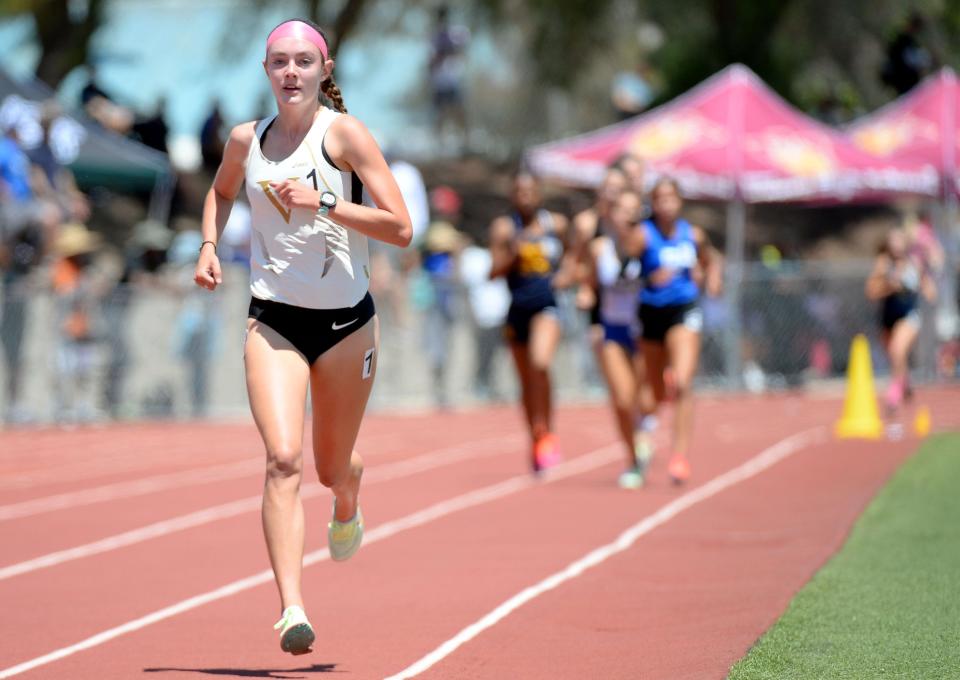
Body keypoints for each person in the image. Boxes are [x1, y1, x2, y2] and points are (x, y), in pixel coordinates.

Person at [192, 18, 411, 655]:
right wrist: (209, 245)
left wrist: (326, 202)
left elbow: (401, 228)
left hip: (346, 325)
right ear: (266, 72)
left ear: (324, 70)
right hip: (274, 319)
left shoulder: (343, 135)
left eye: (302, 62)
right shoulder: (245, 139)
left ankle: (349, 492)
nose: (290, 72)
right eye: (278, 62)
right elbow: (221, 192)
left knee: (328, 467)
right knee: (282, 459)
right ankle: (291, 609)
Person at [627, 178, 721, 484]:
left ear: (680, 201)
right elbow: (624, 271)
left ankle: (679, 456)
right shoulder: (643, 235)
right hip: (651, 313)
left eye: (671, 198)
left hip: (684, 310)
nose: (666, 204)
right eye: (660, 199)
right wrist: (649, 277)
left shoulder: (692, 234)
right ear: (652, 203)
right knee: (655, 393)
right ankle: (652, 408)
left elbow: (711, 260)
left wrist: (710, 277)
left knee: (682, 383)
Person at [489, 172, 572, 472]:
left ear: (539, 194)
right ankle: (536, 436)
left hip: (547, 306)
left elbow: (574, 257)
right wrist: (513, 252)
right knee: (526, 381)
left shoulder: (556, 225)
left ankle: (547, 429)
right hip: (517, 309)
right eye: (519, 192)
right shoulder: (505, 228)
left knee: (540, 363)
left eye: (530, 191)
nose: (525, 197)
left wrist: (568, 276)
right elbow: (493, 272)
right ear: (513, 196)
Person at [585, 189, 647, 488]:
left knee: (645, 400)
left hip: (646, 331)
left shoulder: (649, 245)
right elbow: (590, 285)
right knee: (623, 399)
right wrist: (586, 297)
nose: (628, 216)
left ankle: (644, 430)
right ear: (611, 214)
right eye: (622, 210)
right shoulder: (600, 248)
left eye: (634, 210)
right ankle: (634, 459)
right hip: (612, 328)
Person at [866, 228, 936, 411]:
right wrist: (891, 286)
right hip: (888, 318)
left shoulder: (914, 263)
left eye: (899, 241)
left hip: (909, 316)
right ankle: (906, 383)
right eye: (893, 241)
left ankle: (894, 395)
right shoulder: (883, 264)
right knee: (896, 357)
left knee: (898, 350)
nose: (896, 245)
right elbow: (872, 292)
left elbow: (928, 287)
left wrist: (928, 289)